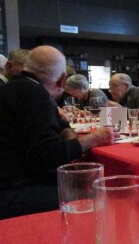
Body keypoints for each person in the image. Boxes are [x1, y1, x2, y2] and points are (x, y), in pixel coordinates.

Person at [0, 45, 119, 220]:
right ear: (63, 79)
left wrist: (70, 136)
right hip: (13, 191)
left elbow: (60, 123)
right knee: (101, 194)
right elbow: (47, 155)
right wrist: (94, 139)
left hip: (13, 183)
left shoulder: (16, 87)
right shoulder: (34, 94)